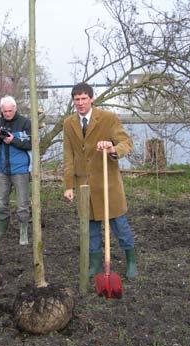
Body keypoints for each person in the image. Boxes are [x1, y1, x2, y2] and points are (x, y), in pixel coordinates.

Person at [63, 82, 138, 279]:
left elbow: (126, 143)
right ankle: (95, 264)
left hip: (107, 184)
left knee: (120, 226)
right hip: (84, 186)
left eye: (83, 99)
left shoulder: (108, 119)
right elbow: (68, 155)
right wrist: (68, 185)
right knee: (91, 229)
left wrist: (113, 148)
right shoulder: (69, 123)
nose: (80, 103)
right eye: (76, 99)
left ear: (91, 99)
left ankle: (131, 262)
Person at [0, 95, 32, 245]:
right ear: (1, 110)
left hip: (20, 169)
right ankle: (2, 228)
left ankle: (23, 232)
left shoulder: (25, 123)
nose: (7, 114)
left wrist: (14, 140)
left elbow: (31, 144)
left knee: (22, 204)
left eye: (10, 111)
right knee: (0, 203)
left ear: (15, 108)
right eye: (5, 111)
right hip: (2, 170)